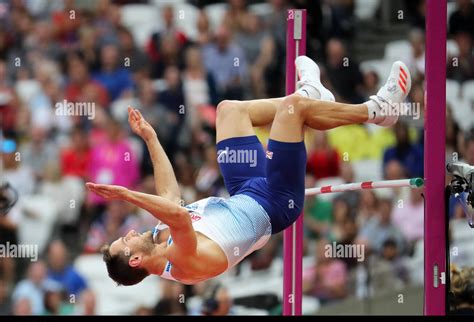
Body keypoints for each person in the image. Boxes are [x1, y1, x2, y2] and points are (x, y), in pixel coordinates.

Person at [88, 56, 412, 285]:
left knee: (229, 111)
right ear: (135, 260)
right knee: (292, 112)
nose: (129, 232)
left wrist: (150, 137)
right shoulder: (183, 264)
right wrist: (127, 194)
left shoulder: (158, 237)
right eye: (125, 241)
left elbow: (170, 195)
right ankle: (376, 111)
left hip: (244, 189)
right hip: (274, 202)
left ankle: (312, 95)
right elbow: (179, 216)